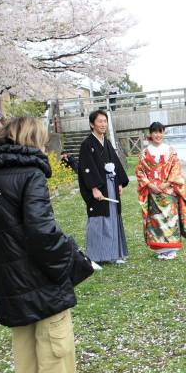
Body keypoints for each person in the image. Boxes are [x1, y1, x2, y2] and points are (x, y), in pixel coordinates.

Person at [0, 116, 88, 373]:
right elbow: (41, 231)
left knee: (24, 342)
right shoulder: (31, 174)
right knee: (54, 337)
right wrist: (66, 261)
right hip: (37, 270)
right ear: (32, 139)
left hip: (8, 273)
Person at [77, 110, 130, 264]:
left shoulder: (106, 142)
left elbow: (116, 162)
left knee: (113, 217)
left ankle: (112, 254)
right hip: (99, 187)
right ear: (92, 124)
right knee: (98, 220)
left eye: (105, 121)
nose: (103, 124)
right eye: (99, 121)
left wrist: (119, 182)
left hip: (111, 184)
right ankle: (94, 257)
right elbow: (86, 168)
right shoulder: (87, 144)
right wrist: (94, 188)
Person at [135, 121, 186, 260]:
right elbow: (140, 171)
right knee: (156, 221)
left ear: (164, 133)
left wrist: (166, 184)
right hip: (153, 192)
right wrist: (149, 184)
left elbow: (176, 169)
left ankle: (171, 249)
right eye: (154, 132)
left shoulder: (171, 151)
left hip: (169, 191)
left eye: (160, 132)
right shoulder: (144, 153)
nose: (157, 135)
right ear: (150, 134)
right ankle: (160, 249)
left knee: (170, 219)